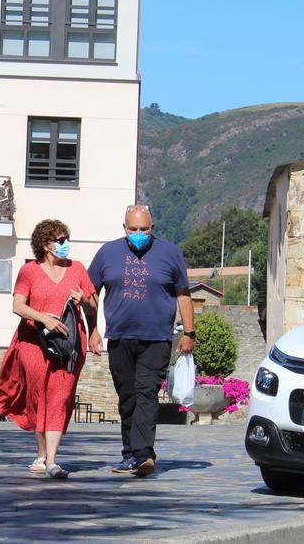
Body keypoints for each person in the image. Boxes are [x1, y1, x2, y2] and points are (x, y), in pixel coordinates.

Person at [87, 204, 195, 477]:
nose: (138, 234)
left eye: (143, 229)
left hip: (156, 338)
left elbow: (183, 294)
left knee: (146, 392)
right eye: (133, 229)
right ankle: (129, 454)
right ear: (124, 228)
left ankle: (144, 453)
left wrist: (189, 333)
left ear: (153, 228)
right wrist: (92, 330)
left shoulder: (170, 253)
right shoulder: (107, 253)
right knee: (128, 396)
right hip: (120, 337)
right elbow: (91, 294)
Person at [0, 219, 99, 479]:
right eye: (60, 241)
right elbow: (18, 306)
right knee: (38, 397)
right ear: (45, 245)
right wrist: (44, 318)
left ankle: (52, 460)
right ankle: (42, 453)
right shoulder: (29, 271)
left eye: (66, 239)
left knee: (60, 398)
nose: (66, 245)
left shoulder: (77, 269)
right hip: (33, 343)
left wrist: (83, 300)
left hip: (68, 345)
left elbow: (93, 307)